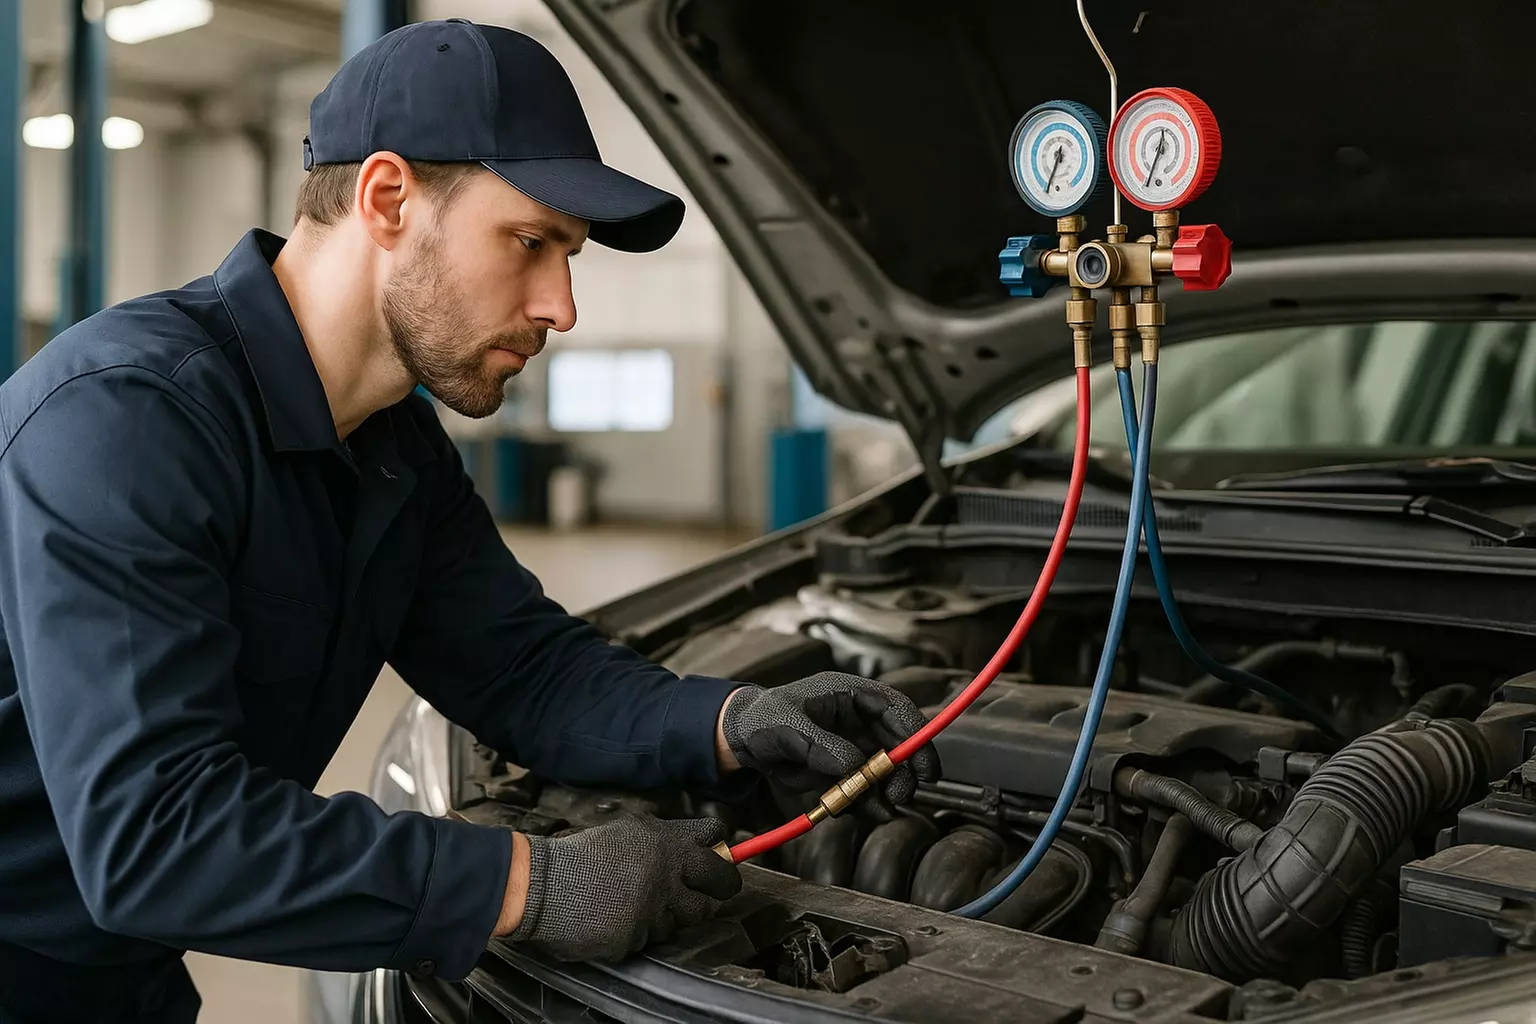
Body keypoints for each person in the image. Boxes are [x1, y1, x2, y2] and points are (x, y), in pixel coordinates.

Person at [0, 20, 940, 1024]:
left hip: (110, 971)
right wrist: (527, 884)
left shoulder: (392, 446)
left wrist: (729, 721)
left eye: (568, 257)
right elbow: (157, 838)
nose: (562, 307)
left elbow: (521, 670)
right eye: (530, 243)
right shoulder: (127, 419)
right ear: (387, 198)